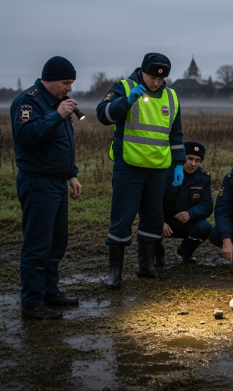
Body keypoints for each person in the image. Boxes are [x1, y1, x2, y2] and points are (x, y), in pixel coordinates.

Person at [96, 53, 185, 289]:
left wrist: (179, 164)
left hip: (158, 169)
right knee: (122, 218)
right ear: (142, 71)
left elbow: (175, 135)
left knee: (153, 218)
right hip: (129, 166)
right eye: (151, 77)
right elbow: (102, 115)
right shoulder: (124, 87)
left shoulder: (171, 96)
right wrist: (125, 102)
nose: (156, 82)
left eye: (161, 78)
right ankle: (115, 273)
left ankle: (146, 267)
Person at [11, 56, 82, 320]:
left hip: (57, 181)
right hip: (37, 182)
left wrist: (71, 175)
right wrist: (57, 115)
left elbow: (61, 144)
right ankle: (31, 302)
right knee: (37, 245)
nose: (69, 89)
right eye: (66, 82)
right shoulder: (28, 102)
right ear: (49, 79)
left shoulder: (55, 104)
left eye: (72, 83)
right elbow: (26, 136)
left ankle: (49, 291)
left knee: (56, 243)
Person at [157, 140, 213, 265]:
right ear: (182, 157)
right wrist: (160, 221)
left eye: (197, 160)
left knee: (205, 227)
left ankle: (185, 251)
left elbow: (207, 205)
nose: (193, 164)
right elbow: (151, 202)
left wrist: (190, 213)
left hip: (186, 221)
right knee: (146, 226)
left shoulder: (204, 178)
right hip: (163, 221)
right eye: (189, 158)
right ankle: (157, 254)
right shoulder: (164, 172)